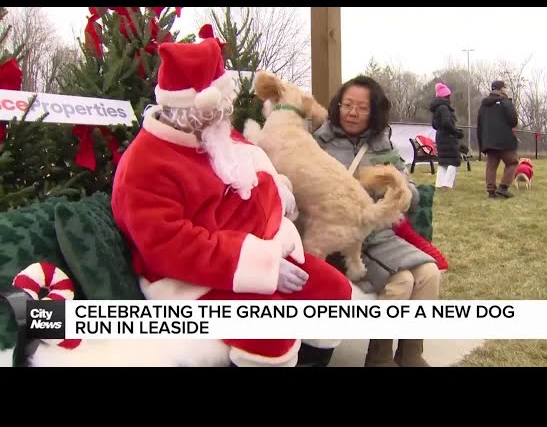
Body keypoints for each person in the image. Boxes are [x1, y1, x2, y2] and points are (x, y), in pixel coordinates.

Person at [110, 34, 353, 368]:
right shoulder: (145, 164)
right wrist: (262, 266)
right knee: (269, 331)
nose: (227, 117)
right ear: (192, 112)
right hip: (188, 278)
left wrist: (276, 201)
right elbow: (171, 247)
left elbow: (254, 178)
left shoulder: (211, 132)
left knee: (333, 292)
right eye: (219, 110)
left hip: (256, 247)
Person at [313, 75, 441, 367]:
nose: (353, 113)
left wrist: (400, 190)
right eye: (347, 105)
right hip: (341, 240)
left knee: (429, 273)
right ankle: (379, 357)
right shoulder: (319, 144)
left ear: (374, 112)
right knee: (402, 281)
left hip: (380, 236)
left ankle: (410, 354)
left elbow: (411, 194)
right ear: (337, 106)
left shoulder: (384, 146)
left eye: (362, 107)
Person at [477, 80, 519, 199]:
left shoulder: (484, 104)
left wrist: (482, 143)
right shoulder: (505, 102)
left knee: (491, 166)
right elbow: (513, 121)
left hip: (488, 141)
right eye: (505, 87)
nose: (506, 89)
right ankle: (503, 187)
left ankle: (491, 192)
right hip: (505, 140)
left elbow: (479, 124)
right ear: (501, 89)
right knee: (512, 162)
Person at [429, 82, 464, 189]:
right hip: (448, 137)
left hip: (440, 137)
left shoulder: (437, 108)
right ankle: (447, 185)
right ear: (447, 96)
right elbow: (447, 122)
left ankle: (439, 184)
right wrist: (455, 132)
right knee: (454, 160)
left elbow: (435, 124)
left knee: (443, 161)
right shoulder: (444, 108)